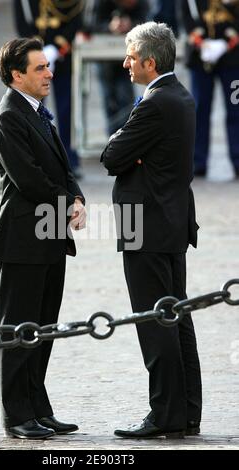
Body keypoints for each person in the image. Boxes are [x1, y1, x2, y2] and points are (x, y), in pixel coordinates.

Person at [101, 21, 202, 439]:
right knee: (177, 318)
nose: (125, 63)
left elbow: (111, 156)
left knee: (155, 321)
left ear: (149, 61)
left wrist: (124, 147)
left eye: (130, 57)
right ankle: (186, 412)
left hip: (147, 225)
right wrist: (130, 153)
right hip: (171, 222)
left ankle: (164, 414)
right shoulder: (180, 95)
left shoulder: (155, 103)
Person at [0, 37, 86, 440]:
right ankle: (16, 415)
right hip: (23, 238)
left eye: (48, 66)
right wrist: (69, 203)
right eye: (40, 68)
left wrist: (76, 197)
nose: (49, 73)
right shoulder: (8, 116)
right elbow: (28, 179)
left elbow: (62, 165)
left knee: (43, 328)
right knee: (19, 330)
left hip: (49, 234)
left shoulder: (37, 112)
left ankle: (38, 408)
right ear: (16, 75)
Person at [12, 0, 85, 178]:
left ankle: (68, 158)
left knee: (65, 108)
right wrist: (35, 51)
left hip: (62, 56)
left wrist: (58, 48)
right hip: (34, 56)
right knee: (33, 110)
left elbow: (76, 18)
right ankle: (37, 158)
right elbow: (22, 21)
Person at [182, 0, 239, 177]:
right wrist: (199, 41)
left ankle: (238, 160)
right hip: (201, 57)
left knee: (236, 108)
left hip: (233, 58)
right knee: (199, 109)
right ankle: (198, 161)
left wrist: (228, 42)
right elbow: (186, 17)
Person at [90, 0, 149, 136]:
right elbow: (92, 24)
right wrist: (110, 27)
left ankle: (127, 137)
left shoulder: (139, 4)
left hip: (128, 57)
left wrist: (131, 26)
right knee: (109, 100)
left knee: (126, 100)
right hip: (105, 56)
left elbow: (147, 23)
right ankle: (113, 141)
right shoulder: (101, 4)